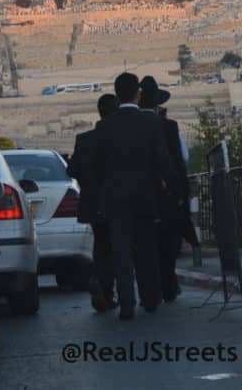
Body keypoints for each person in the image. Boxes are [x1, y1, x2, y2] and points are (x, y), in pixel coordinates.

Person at [93, 72, 172, 319]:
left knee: (121, 252)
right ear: (138, 93)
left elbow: (98, 166)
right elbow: (163, 161)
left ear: (117, 94)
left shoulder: (104, 126)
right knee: (146, 249)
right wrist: (172, 191)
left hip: (116, 199)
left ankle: (127, 303)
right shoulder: (151, 123)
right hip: (145, 196)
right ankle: (150, 298)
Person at [66, 93, 119, 312]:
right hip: (117, 203)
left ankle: (100, 283)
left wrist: (88, 183)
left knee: (101, 246)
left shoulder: (84, 139)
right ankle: (106, 287)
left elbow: (72, 169)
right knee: (116, 248)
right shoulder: (118, 139)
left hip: (94, 204)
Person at [138, 76, 189, 303]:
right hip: (167, 195)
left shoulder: (132, 127)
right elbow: (181, 159)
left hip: (141, 195)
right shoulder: (169, 126)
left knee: (145, 245)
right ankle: (168, 285)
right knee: (168, 244)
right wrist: (180, 192)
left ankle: (150, 289)